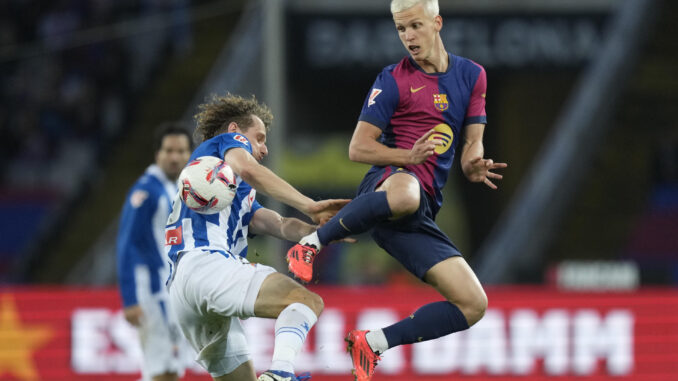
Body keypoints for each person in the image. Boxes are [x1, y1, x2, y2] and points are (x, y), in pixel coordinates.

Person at [286, 1, 508, 380]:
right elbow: (358, 148)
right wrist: (408, 156)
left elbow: (473, 142)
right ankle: (311, 244)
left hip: (417, 214)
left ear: (437, 23)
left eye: (415, 26)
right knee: (407, 193)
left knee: (473, 304)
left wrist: (473, 163)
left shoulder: (472, 75)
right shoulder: (393, 79)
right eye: (401, 29)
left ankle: (373, 343)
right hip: (389, 184)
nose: (408, 37)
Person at [165, 94, 349, 381]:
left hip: (182, 290)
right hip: (207, 263)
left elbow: (281, 225)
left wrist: (325, 232)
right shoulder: (223, 146)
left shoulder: (232, 192)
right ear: (235, 131)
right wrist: (310, 205)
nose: (264, 148)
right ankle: (281, 372)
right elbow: (250, 168)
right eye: (259, 138)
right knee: (305, 301)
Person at [116, 123, 193, 381]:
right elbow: (127, 242)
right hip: (152, 289)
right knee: (164, 370)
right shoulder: (146, 191)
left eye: (181, 151)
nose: (175, 157)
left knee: (165, 369)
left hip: (168, 289)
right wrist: (129, 298)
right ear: (157, 154)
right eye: (169, 150)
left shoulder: (174, 188)